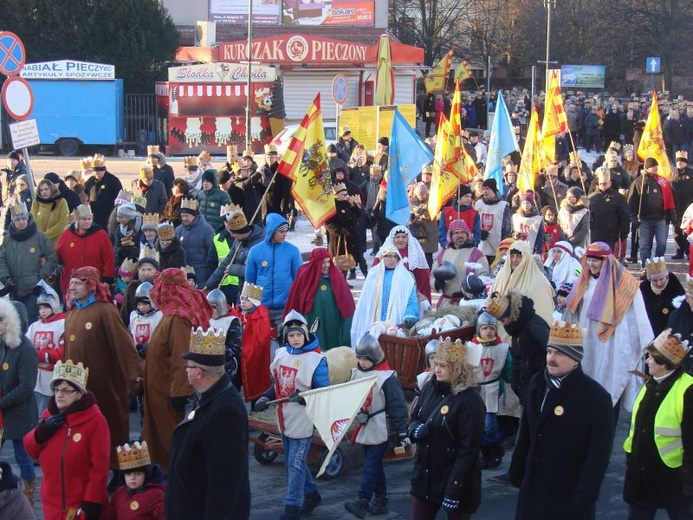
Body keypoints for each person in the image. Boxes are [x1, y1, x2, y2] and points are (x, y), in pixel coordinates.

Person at [509, 321, 614, 520]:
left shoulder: (595, 397)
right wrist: (518, 468)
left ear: (576, 360)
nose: (551, 359)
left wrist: (587, 490)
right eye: (549, 352)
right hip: (533, 488)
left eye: (559, 354)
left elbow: (600, 450)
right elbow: (527, 432)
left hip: (568, 491)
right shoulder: (536, 384)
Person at [165, 327, 250, 519]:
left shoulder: (225, 411)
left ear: (199, 373)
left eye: (189, 366)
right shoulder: (209, 398)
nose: (185, 369)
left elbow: (224, 485)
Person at [63, 266, 144, 469]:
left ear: (90, 286)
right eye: (71, 282)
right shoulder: (72, 312)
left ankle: (119, 471)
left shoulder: (105, 310)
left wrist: (136, 378)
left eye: (77, 282)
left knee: (112, 426)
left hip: (104, 385)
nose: (72, 286)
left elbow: (123, 345)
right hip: (78, 388)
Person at [254, 311, 329, 520]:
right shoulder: (281, 355)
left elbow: (324, 392)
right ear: (285, 336)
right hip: (284, 418)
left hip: (303, 420)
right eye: (291, 335)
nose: (295, 339)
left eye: (298, 335)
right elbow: (276, 386)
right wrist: (264, 398)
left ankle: (292, 508)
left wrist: (304, 398)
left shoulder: (317, 360)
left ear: (305, 334)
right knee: (292, 462)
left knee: (295, 464)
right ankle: (312, 494)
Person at [564, 242, 653, 415]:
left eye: (596, 260)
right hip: (587, 338)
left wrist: (646, 340)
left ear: (606, 260)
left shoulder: (623, 282)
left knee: (607, 380)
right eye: (589, 260)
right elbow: (573, 308)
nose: (591, 264)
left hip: (610, 340)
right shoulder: (584, 280)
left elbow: (637, 312)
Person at [142, 267, 213, 473]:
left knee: (169, 439)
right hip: (160, 391)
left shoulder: (177, 319)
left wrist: (180, 392)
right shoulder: (171, 315)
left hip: (168, 395)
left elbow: (182, 356)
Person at [407, 338, 485, 519]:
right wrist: (415, 430)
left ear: (458, 369)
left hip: (456, 478)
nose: (437, 369)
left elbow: (469, 450)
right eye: (436, 364)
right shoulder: (429, 387)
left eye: (444, 365)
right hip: (426, 477)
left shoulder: (470, 401)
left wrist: (455, 490)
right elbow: (415, 416)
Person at [24, 360, 110, 520]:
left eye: (65, 390)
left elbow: (100, 468)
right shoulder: (50, 415)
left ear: (79, 393)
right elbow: (30, 449)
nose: (59, 395)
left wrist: (92, 502)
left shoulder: (95, 421)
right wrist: (40, 433)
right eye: (56, 390)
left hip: (79, 507)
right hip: (51, 505)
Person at [623, 329, 693, 519]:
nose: (647, 362)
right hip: (641, 478)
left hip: (674, 480)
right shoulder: (650, 383)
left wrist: (689, 482)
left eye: (651, 359)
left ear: (664, 364)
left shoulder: (688, 389)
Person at [344, 334, 409, 519]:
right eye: (361, 358)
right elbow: (351, 399)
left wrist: (402, 433)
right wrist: (357, 413)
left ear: (375, 357)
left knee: (371, 466)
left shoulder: (387, 378)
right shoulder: (356, 374)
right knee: (375, 466)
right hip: (364, 426)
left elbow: (397, 406)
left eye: (366, 359)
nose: (363, 363)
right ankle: (381, 500)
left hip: (380, 428)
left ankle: (362, 501)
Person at [0, 299, 39, 504]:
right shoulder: (2, 345)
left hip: (19, 414)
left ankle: (27, 500)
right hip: (3, 414)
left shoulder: (25, 349)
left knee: (22, 458)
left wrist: (2, 402)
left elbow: (26, 386)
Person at [283, 248, 355, 350]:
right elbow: (296, 300)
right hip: (312, 318)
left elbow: (346, 302)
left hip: (332, 319)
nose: (326, 265)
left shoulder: (336, 276)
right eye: (323, 262)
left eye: (328, 262)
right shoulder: (304, 275)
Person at [0, 201, 59, 323]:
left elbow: (52, 256)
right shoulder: (8, 239)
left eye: (23, 218)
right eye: (17, 220)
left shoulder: (38, 236)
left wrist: (42, 275)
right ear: (13, 221)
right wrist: (5, 279)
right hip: (14, 289)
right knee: (17, 322)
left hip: (33, 289)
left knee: (30, 322)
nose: (21, 222)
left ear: (28, 218)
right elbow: (2, 260)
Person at [351, 247, 420, 347]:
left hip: (396, 315)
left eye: (395, 257)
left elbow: (411, 300)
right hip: (374, 317)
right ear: (383, 257)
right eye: (389, 256)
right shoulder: (373, 274)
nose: (392, 259)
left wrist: (410, 314)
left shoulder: (405, 277)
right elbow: (365, 299)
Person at [245, 213, 303, 323]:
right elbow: (250, 281)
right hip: (261, 308)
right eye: (281, 231)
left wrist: (297, 304)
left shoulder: (293, 251)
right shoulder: (255, 251)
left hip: (286, 309)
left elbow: (299, 281)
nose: (285, 234)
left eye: (286, 231)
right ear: (272, 231)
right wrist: (251, 305)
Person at [470, 312, 510, 470]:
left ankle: (492, 451)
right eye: (485, 328)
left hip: (492, 389)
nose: (488, 331)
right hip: (475, 390)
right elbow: (467, 371)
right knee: (476, 424)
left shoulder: (502, 348)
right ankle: (481, 452)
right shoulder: (473, 347)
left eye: (491, 328)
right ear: (479, 329)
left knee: (489, 424)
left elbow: (508, 370)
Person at [204, 204, 264, 304]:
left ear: (240, 232)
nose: (231, 235)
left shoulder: (260, 243)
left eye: (233, 233)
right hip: (242, 291)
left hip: (257, 289)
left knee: (253, 315)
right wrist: (209, 285)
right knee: (241, 315)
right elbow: (226, 262)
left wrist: (233, 269)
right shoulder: (238, 242)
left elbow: (259, 270)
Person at [489, 240, 555, 325]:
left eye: (519, 256)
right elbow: (490, 297)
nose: (514, 259)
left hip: (525, 329)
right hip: (501, 325)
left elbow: (542, 311)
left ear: (526, 257)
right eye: (512, 256)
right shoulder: (501, 275)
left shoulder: (539, 280)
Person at [55, 204, 115, 296]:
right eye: (84, 219)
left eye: (89, 219)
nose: (87, 222)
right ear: (78, 220)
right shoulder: (67, 234)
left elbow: (109, 257)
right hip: (70, 284)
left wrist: (107, 279)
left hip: (94, 284)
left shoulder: (101, 235)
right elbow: (57, 254)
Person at [628, 157, 676, 270]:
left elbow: (670, 199)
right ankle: (646, 266)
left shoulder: (662, 181)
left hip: (661, 218)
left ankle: (658, 264)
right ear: (646, 168)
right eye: (652, 167)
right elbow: (632, 201)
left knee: (662, 244)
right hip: (644, 219)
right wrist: (633, 217)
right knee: (645, 245)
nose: (655, 169)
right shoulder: (638, 182)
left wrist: (672, 216)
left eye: (656, 167)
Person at [27, 282, 66, 417]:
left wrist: (41, 356)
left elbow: (64, 350)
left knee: (46, 412)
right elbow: (26, 347)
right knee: (36, 411)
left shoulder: (63, 323)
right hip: (36, 377)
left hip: (54, 376)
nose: (42, 311)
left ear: (54, 305)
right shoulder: (34, 326)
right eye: (40, 308)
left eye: (45, 307)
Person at [432, 219, 488, 308]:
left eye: (463, 232)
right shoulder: (443, 254)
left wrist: (468, 291)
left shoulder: (477, 254)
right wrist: (436, 283)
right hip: (446, 304)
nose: (460, 235)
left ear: (467, 234)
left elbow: (484, 278)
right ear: (451, 235)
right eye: (456, 233)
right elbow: (432, 275)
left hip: (468, 304)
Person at [102, 441, 165, 520]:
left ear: (146, 475)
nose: (132, 478)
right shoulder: (120, 493)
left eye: (138, 474)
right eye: (128, 474)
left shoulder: (156, 495)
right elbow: (110, 514)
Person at [373, 225, 432, 303]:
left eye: (404, 237)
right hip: (388, 296)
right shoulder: (384, 253)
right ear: (392, 239)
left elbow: (423, 278)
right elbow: (374, 276)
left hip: (410, 297)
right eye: (397, 237)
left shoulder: (415, 254)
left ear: (408, 238)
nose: (400, 240)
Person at [588, 167, 630, 260]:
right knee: (595, 257)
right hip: (596, 233)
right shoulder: (592, 198)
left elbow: (624, 217)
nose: (602, 186)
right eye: (600, 184)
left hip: (611, 234)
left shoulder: (618, 198)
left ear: (610, 182)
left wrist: (624, 233)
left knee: (607, 258)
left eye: (605, 183)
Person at [175, 197, 214, 287]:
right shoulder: (178, 230)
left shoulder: (207, 230)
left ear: (194, 215)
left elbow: (211, 255)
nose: (184, 218)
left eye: (186, 216)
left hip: (201, 276)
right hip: (183, 275)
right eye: (182, 216)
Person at [475, 178, 512, 265]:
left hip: (497, 249)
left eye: (488, 188)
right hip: (481, 248)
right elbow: (474, 224)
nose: (485, 191)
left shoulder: (503, 206)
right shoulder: (478, 204)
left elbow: (507, 228)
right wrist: (478, 232)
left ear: (494, 190)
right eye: (483, 188)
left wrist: (505, 247)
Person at [84, 154, 123, 230]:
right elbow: (85, 196)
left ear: (104, 170)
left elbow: (119, 198)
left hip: (108, 216)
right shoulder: (90, 181)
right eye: (95, 171)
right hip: (93, 217)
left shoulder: (113, 181)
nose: (97, 173)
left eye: (99, 171)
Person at [30, 178, 70, 247]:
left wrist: (46, 235)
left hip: (56, 242)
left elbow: (63, 222)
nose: (44, 192)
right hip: (39, 242)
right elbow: (32, 221)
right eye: (41, 190)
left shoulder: (61, 202)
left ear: (51, 189)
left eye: (46, 189)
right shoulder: (36, 203)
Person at [129, 281, 163, 359]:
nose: (141, 307)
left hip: (154, 353)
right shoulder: (134, 315)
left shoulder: (159, 315)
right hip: (137, 353)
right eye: (139, 304)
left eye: (145, 304)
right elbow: (131, 333)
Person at [672, 150, 693, 260]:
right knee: (676, 231)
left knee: (688, 231)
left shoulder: (691, 173)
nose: (679, 163)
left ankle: (689, 252)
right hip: (676, 207)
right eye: (678, 161)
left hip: (689, 207)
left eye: (682, 161)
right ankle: (679, 251)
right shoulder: (672, 173)